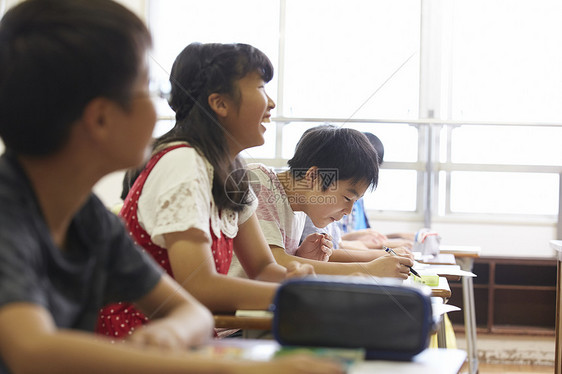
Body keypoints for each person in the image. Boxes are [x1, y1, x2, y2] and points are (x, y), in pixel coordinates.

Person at [0, 2, 343, 373]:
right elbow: (32, 349)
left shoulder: (87, 218)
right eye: (147, 87)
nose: (163, 102)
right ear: (101, 118)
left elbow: (190, 310)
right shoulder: (9, 212)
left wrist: (171, 332)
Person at [97, 42, 316, 339]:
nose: (272, 103)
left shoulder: (232, 171)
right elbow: (198, 284)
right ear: (220, 103)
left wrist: (302, 284)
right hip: (140, 339)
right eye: (262, 87)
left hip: (184, 333)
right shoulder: (184, 162)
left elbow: (263, 267)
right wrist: (291, 296)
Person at [247, 125, 414, 278]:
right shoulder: (259, 183)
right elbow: (273, 262)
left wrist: (301, 256)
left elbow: (283, 268)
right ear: (313, 177)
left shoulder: (300, 208)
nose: (348, 210)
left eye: (355, 202)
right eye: (348, 198)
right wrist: (368, 269)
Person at [301, 132, 414, 252]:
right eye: (348, 198)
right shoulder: (313, 204)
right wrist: (379, 256)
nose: (348, 211)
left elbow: (337, 244)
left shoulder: (349, 196)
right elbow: (333, 249)